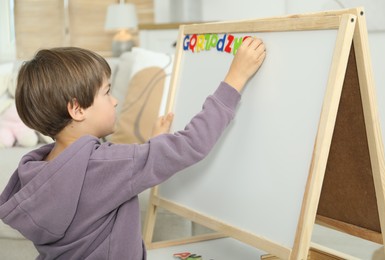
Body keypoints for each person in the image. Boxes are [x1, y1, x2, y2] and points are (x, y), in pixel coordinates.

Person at [0, 37, 266, 260]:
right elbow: (190, 144)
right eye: (106, 92)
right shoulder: (106, 164)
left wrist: (152, 147)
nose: (115, 101)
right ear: (77, 109)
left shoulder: (38, 171)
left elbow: (105, 181)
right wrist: (235, 79)